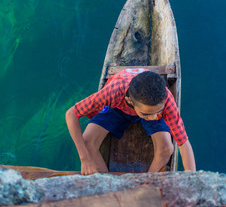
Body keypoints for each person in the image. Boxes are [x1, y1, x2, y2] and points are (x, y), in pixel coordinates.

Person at [66, 68, 196, 175]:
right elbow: (71, 114)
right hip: (117, 108)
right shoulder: (113, 92)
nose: (153, 117)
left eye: (158, 111)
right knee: (87, 143)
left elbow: (184, 144)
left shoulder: (166, 101)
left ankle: (148, 182)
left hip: (146, 105)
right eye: (147, 114)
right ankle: (106, 182)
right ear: (129, 101)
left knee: (166, 149)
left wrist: (193, 181)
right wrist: (85, 159)